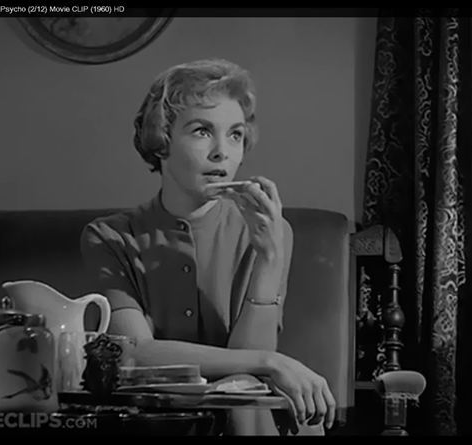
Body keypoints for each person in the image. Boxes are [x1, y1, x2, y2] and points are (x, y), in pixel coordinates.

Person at [80, 59, 335, 436]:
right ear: (161, 140)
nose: (222, 152)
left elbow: (246, 373)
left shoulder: (272, 230)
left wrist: (269, 257)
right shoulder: (110, 236)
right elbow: (132, 354)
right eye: (202, 131)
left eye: (235, 135)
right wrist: (273, 362)